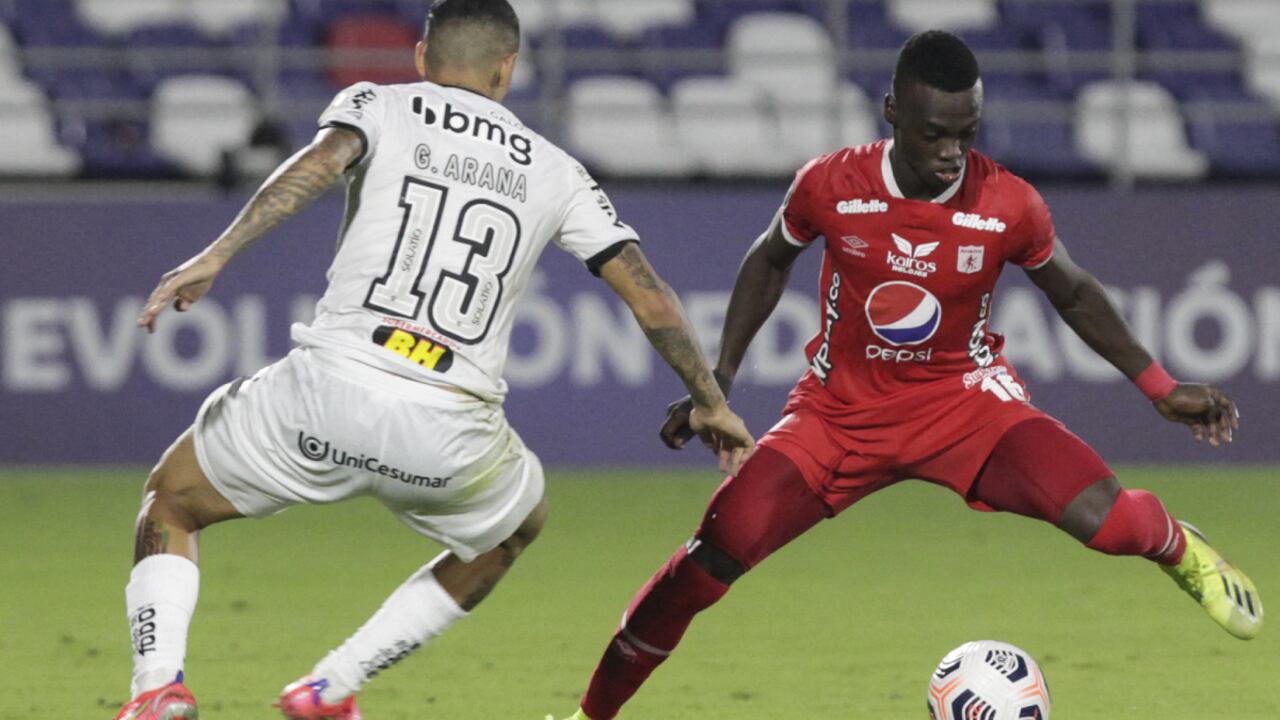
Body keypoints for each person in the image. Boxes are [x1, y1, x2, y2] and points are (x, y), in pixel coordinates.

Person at [549, 30, 1261, 720]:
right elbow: (769, 259)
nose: (953, 152)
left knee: (1107, 523)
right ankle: (589, 714)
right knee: (711, 558)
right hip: (838, 418)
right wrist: (718, 385)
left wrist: (1161, 388)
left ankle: (1178, 545)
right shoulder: (831, 184)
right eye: (935, 134)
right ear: (893, 112)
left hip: (967, 408)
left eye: (967, 133)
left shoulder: (1007, 203)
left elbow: (1071, 292)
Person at [111, 2, 754, 719]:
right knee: (514, 526)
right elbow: (652, 299)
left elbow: (318, 164)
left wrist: (217, 254)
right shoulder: (557, 169)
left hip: (327, 390)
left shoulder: (378, 105)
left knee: (172, 499)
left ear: (421, 56)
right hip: (448, 428)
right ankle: (329, 687)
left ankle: (158, 689)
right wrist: (710, 400)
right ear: (507, 70)